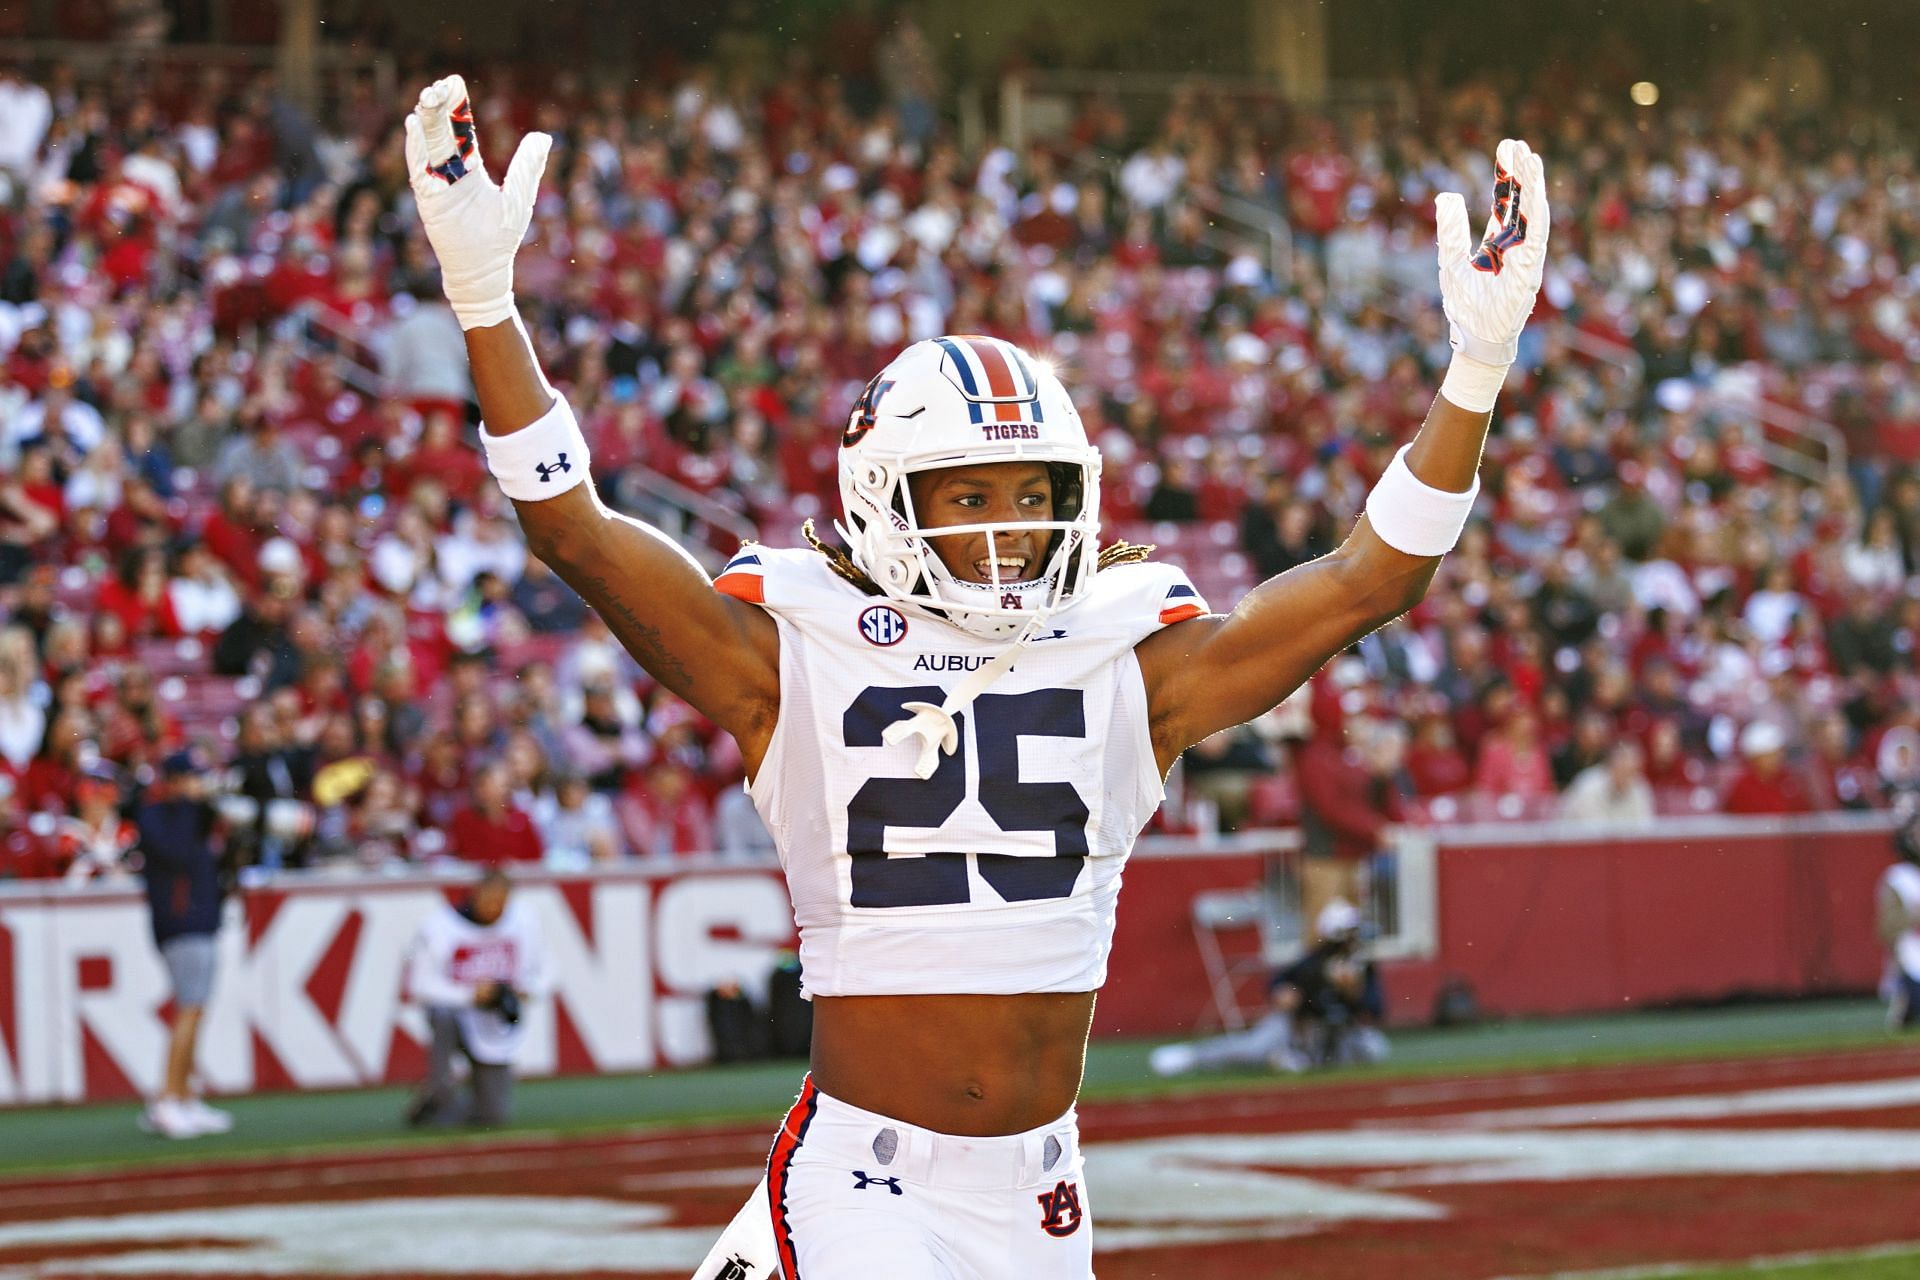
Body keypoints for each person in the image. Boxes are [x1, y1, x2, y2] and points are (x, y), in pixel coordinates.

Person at [404, 76, 1548, 1280]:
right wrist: (486, 304)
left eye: (1035, 492)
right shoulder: (794, 648)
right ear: (884, 499)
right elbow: (575, 531)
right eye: (970, 494)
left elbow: (1374, 577)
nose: (1011, 526)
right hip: (870, 1175)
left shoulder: (1127, 653)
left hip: (1040, 1187)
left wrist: (1473, 372)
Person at [1147, 899, 1388, 1076]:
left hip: (1338, 1030)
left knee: (1374, 1048)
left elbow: (1376, 1009)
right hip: (1298, 1025)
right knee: (1254, 1047)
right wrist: (1286, 993)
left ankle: (1297, 1059)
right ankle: (1193, 1056)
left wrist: (1354, 992)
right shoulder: (1312, 963)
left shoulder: (1362, 966)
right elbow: (1279, 984)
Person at [135, 749, 236, 1139]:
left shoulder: (198, 816)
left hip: (202, 921)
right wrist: (196, 811)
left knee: (197, 1010)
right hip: (180, 923)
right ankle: (166, 1099)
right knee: (188, 1010)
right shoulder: (157, 815)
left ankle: (184, 1095)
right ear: (175, 781)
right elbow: (176, 853)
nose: (200, 784)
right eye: (193, 777)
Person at [403, 868, 550, 1126]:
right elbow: (420, 985)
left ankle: (438, 1106)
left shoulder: (524, 921)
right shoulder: (440, 926)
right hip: (455, 1016)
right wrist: (471, 995)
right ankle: (440, 1087)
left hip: (493, 1022)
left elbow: (548, 971)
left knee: (493, 1116)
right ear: (475, 895)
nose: (494, 909)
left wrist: (526, 989)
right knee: (442, 1014)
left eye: (501, 903)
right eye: (489, 901)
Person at [1880, 796, 1920, 1031]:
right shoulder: (1898, 878)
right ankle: (1905, 1001)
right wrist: (1913, 916)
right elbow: (1885, 929)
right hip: (1912, 961)